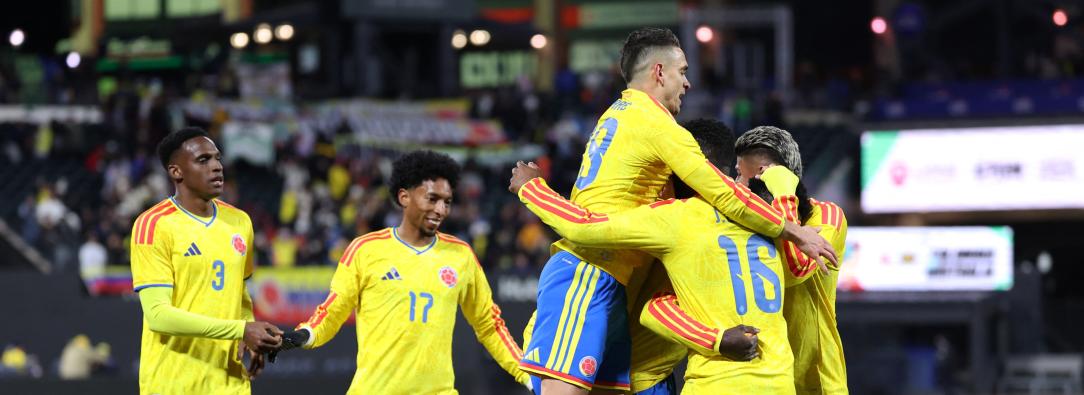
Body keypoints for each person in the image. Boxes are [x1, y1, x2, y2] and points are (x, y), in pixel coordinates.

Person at [517, 27, 835, 395]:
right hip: (590, 266)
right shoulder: (660, 131)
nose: (687, 83)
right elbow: (722, 192)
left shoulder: (616, 117)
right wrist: (792, 229)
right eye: (682, 71)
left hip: (612, 274)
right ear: (658, 72)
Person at [510, 118, 794, 393]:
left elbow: (585, 227)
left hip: (642, 375)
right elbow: (800, 266)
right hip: (768, 379)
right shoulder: (763, 219)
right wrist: (786, 197)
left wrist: (531, 188)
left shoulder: (670, 216)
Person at [274, 150, 530, 394]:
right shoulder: (365, 250)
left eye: (447, 202)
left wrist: (528, 376)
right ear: (404, 197)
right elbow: (333, 311)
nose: (441, 210)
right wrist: (305, 335)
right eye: (432, 199)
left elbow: (489, 326)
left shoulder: (461, 255)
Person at [131, 126, 282, 394]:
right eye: (203, 160)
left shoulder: (240, 222)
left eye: (217, 158)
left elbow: (240, 293)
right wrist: (241, 329)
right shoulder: (153, 225)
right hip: (173, 383)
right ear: (176, 171)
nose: (216, 167)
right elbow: (158, 316)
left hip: (229, 382)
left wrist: (251, 334)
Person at [734, 126, 849, 394]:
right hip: (763, 378)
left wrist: (784, 198)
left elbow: (797, 267)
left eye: (742, 173)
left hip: (816, 381)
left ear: (769, 174)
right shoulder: (743, 221)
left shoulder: (827, 216)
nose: (737, 183)